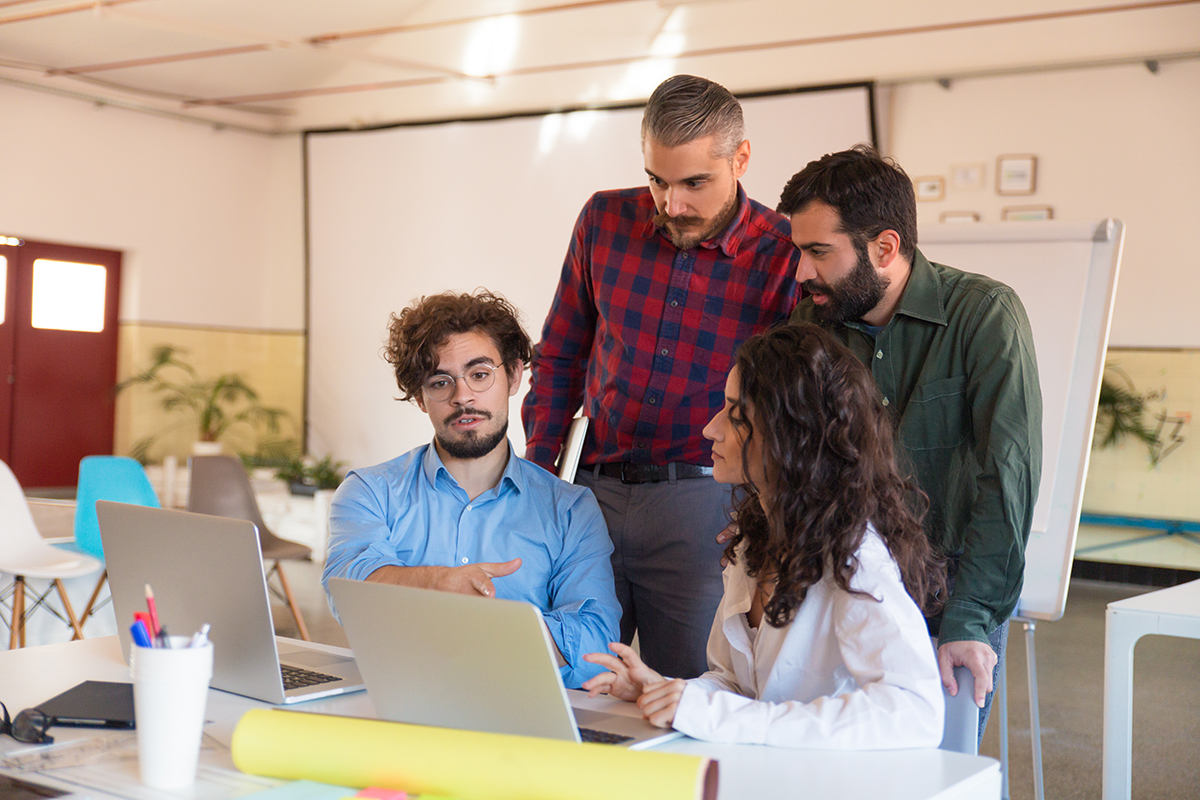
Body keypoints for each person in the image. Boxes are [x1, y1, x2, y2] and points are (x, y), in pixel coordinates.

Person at [522, 74, 801, 679]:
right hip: (589, 494)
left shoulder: (782, 251)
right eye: (657, 180)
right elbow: (562, 354)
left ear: (740, 159)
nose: (671, 204)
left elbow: (792, 405)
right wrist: (540, 475)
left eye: (694, 182)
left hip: (708, 506)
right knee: (574, 681)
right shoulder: (603, 219)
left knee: (687, 694)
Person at [775, 145, 1043, 739]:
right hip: (841, 593)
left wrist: (970, 620)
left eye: (819, 251)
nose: (801, 272)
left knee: (939, 771)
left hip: (950, 601)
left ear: (885, 247)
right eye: (800, 251)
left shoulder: (985, 315)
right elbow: (792, 464)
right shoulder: (807, 328)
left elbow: (1008, 478)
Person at [582, 324, 946, 748]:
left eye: (736, 415)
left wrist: (720, 715)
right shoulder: (756, 539)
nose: (710, 430)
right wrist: (665, 692)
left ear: (791, 435)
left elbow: (915, 712)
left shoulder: (855, 559)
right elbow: (735, 687)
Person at [322, 290, 621, 689]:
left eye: (480, 375)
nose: (463, 397)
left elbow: (598, 641)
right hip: (397, 700)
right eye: (440, 381)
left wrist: (476, 629)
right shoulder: (369, 492)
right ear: (419, 397)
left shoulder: (571, 509)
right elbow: (348, 590)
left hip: (524, 713)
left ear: (514, 376)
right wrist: (437, 584)